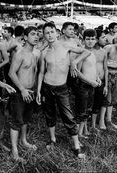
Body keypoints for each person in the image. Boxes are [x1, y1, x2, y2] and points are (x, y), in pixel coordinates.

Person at [36, 22, 90, 158]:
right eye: (47, 33)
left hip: (61, 87)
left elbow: (86, 51)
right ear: (44, 35)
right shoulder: (44, 53)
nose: (50, 35)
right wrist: (38, 91)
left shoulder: (66, 46)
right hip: (47, 86)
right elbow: (41, 73)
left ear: (57, 33)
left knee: (68, 115)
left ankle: (77, 146)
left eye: (52, 32)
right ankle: (53, 139)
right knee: (50, 113)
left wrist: (74, 62)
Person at [8, 26, 40, 162]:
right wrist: (22, 89)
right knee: (17, 121)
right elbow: (11, 73)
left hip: (31, 91)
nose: (36, 36)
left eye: (38, 34)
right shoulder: (20, 53)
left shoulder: (36, 53)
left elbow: (36, 73)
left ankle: (23, 140)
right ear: (25, 37)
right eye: (33, 34)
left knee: (26, 118)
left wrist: (36, 90)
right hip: (20, 92)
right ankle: (14, 150)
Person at [72, 29, 102, 138]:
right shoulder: (82, 53)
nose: (90, 41)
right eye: (88, 39)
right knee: (81, 111)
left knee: (87, 110)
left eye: (92, 39)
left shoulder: (92, 53)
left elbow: (92, 69)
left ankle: (83, 131)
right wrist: (90, 81)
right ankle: (78, 134)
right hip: (83, 86)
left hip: (91, 85)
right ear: (83, 40)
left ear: (96, 40)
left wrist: (97, 78)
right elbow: (77, 72)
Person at [91, 29, 108, 131]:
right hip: (91, 81)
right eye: (103, 37)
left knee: (98, 102)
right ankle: (90, 125)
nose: (105, 39)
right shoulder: (89, 51)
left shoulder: (104, 52)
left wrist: (106, 85)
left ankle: (93, 125)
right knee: (90, 103)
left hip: (101, 81)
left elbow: (105, 68)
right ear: (96, 39)